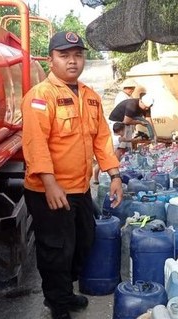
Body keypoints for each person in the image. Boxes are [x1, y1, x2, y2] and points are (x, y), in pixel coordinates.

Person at [21, 31, 123, 319]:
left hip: (79, 188)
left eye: (77, 55)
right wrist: (50, 183)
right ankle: (57, 303)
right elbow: (35, 144)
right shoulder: (40, 97)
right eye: (64, 55)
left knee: (83, 243)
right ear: (50, 60)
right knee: (56, 250)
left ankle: (63, 292)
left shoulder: (90, 97)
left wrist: (114, 175)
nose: (72, 61)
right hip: (48, 191)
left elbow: (102, 139)